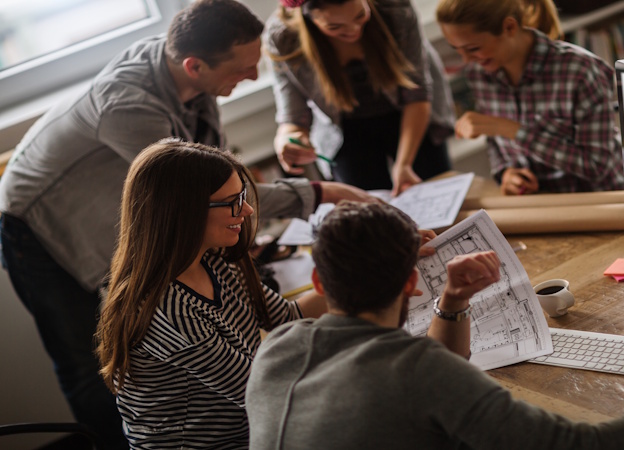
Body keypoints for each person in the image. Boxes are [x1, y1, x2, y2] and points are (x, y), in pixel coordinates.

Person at [0, 1, 370, 447]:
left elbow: (220, 179)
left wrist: (372, 274)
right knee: (86, 367)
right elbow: (203, 189)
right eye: (244, 68)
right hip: (34, 228)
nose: (254, 77)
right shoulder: (129, 107)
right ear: (195, 66)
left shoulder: (193, 81)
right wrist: (318, 193)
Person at [245, 201, 624, 450]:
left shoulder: (279, 349)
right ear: (413, 282)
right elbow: (583, 447)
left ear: (318, 283)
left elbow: (438, 373)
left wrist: (456, 300)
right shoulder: (414, 368)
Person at [95, 139, 329, 449]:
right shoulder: (169, 312)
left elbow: (289, 317)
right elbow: (263, 392)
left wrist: (384, 265)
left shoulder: (212, 260)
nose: (246, 210)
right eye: (233, 201)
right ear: (184, 212)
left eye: (243, 196)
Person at [437, 0, 624, 195]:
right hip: (536, 204)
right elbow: (497, 145)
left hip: (596, 201)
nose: (466, 60)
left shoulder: (580, 71)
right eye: (456, 49)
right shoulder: (479, 74)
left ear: (509, 27)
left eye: (473, 48)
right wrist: (507, 173)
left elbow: (597, 167)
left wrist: (511, 129)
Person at [266, 0, 455, 194]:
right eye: (334, 26)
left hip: (409, 112)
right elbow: (293, 117)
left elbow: (417, 94)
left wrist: (404, 164)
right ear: (308, 18)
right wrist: (287, 139)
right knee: (366, 204)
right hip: (344, 129)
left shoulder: (396, 8)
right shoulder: (283, 37)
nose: (354, 29)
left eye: (360, 15)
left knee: (437, 188)